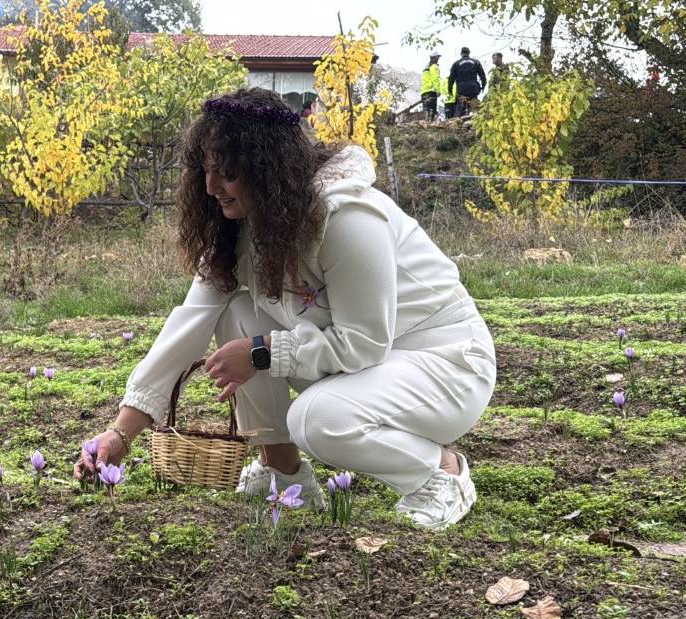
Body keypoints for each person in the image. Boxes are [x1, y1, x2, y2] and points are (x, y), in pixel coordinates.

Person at [73, 88, 497, 530]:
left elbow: (365, 342)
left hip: (444, 364)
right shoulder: (243, 228)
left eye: (227, 172)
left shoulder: (346, 217)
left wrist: (261, 352)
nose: (210, 188)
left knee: (317, 419)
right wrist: (121, 432)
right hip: (372, 365)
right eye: (205, 170)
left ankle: (440, 473)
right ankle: (282, 468)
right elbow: (189, 325)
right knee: (234, 312)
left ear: (266, 168)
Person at [447, 46, 487, 117]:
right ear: (469, 53)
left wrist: (450, 90)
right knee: (475, 111)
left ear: (461, 53)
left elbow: (451, 79)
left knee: (459, 112)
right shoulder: (476, 62)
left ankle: (458, 122)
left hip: (462, 90)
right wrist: (482, 87)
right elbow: (483, 77)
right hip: (473, 89)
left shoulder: (456, 64)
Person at [420, 51, 442, 122]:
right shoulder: (434, 67)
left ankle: (425, 128)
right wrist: (438, 90)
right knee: (431, 113)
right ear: (435, 58)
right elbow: (435, 79)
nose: (438, 59)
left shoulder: (425, 68)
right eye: (438, 57)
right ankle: (430, 128)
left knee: (426, 112)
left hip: (424, 92)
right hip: (431, 92)